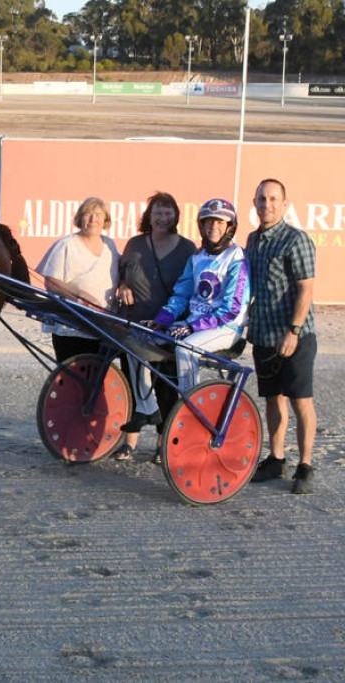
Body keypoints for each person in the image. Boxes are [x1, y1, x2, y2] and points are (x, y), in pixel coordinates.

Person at [112, 191, 196, 462]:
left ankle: (163, 443)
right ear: (149, 216)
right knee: (133, 380)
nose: (163, 217)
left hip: (167, 328)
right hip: (135, 324)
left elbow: (192, 288)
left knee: (165, 386)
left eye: (168, 212)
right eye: (158, 212)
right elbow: (122, 275)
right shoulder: (135, 244)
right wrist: (123, 285)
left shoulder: (187, 248)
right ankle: (130, 442)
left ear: (176, 216)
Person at [246, 178, 318, 494]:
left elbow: (306, 289)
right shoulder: (252, 240)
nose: (267, 204)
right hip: (263, 335)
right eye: (262, 199)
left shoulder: (296, 240)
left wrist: (294, 331)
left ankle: (305, 466)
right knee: (272, 400)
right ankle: (276, 459)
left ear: (284, 204)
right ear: (255, 202)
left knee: (301, 401)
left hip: (295, 337)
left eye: (274, 199)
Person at [151, 197, 250, 396]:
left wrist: (192, 327)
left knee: (185, 349)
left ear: (230, 227)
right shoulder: (197, 257)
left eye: (220, 222)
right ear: (201, 225)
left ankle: (190, 404)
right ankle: (145, 409)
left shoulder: (236, 257)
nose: (214, 226)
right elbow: (181, 296)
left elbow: (232, 310)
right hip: (194, 324)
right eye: (209, 221)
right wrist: (161, 321)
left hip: (226, 328)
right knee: (142, 340)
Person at [35, 196, 121, 364]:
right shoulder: (67, 244)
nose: (93, 219)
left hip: (102, 325)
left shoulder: (110, 245)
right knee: (73, 376)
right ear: (80, 218)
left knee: (98, 376)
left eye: (98, 214)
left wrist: (125, 285)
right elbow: (51, 282)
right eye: (88, 214)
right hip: (71, 325)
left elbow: (122, 270)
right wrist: (80, 294)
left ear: (105, 220)